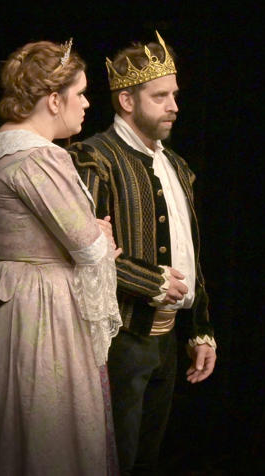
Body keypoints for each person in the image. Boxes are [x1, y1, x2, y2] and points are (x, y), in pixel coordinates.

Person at [0, 39, 122, 475]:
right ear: (53, 100)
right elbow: (90, 247)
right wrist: (101, 236)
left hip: (0, 303)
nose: (87, 103)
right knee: (43, 433)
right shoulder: (39, 156)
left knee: (4, 433)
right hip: (39, 311)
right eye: (80, 93)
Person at [68, 31, 217, 475]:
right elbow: (85, 252)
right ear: (126, 100)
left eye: (175, 95)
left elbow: (191, 253)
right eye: (160, 96)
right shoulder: (94, 158)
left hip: (166, 339)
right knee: (113, 458)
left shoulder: (177, 166)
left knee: (147, 460)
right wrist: (150, 281)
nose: (174, 106)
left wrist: (200, 329)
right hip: (120, 338)